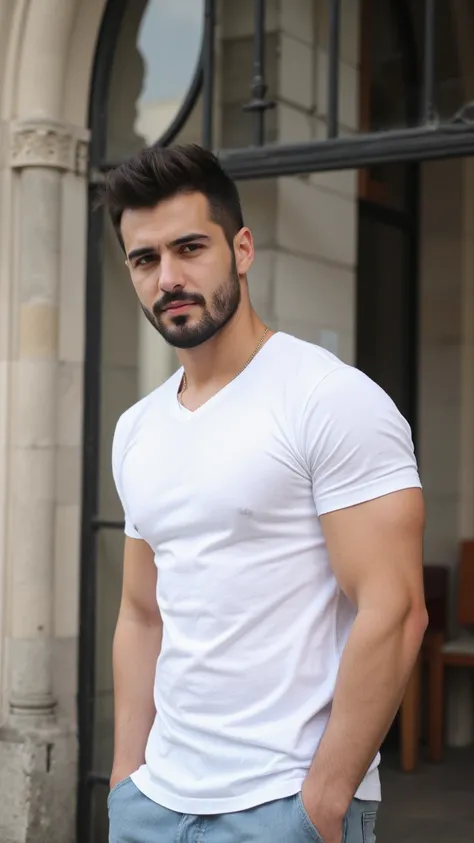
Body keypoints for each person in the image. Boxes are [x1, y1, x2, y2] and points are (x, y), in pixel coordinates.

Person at [103, 143, 427, 843]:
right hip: (154, 801)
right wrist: (125, 777)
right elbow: (141, 614)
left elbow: (395, 610)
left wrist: (324, 801)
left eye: (190, 247)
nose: (169, 277)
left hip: (282, 805)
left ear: (241, 248)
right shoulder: (137, 429)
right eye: (145, 258)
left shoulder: (327, 399)